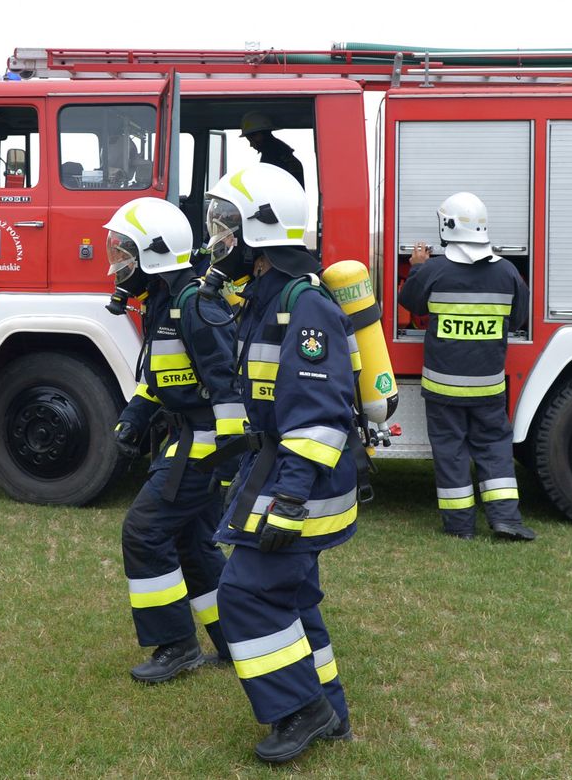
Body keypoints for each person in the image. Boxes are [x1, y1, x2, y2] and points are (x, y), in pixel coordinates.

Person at [203, 163, 356, 763]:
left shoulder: (306, 306)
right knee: (292, 596)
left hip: (302, 480)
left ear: (261, 239)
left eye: (228, 231)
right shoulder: (268, 297)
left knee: (243, 592)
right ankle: (331, 710)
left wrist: (289, 500)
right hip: (282, 469)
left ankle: (302, 710)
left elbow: (318, 414)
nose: (220, 243)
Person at [105, 197, 246, 683]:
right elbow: (160, 376)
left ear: (154, 254)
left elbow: (229, 386)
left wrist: (228, 463)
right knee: (193, 542)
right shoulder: (165, 301)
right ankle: (237, 639)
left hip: (203, 445)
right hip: (185, 436)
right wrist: (133, 419)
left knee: (144, 531)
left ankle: (176, 644)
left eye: (124, 254)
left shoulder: (195, 304)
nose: (118, 266)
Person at [397, 192, 537, 542]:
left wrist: (416, 266)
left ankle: (460, 527)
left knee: (451, 452)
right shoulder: (507, 272)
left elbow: (409, 301)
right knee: (494, 449)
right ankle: (506, 519)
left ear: (447, 226)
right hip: (489, 388)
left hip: (443, 390)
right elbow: (519, 318)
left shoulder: (434, 270)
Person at [239, 112, 305, 187]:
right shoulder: (283, 154)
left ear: (265, 133)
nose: (251, 145)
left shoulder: (272, 159)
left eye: (252, 139)